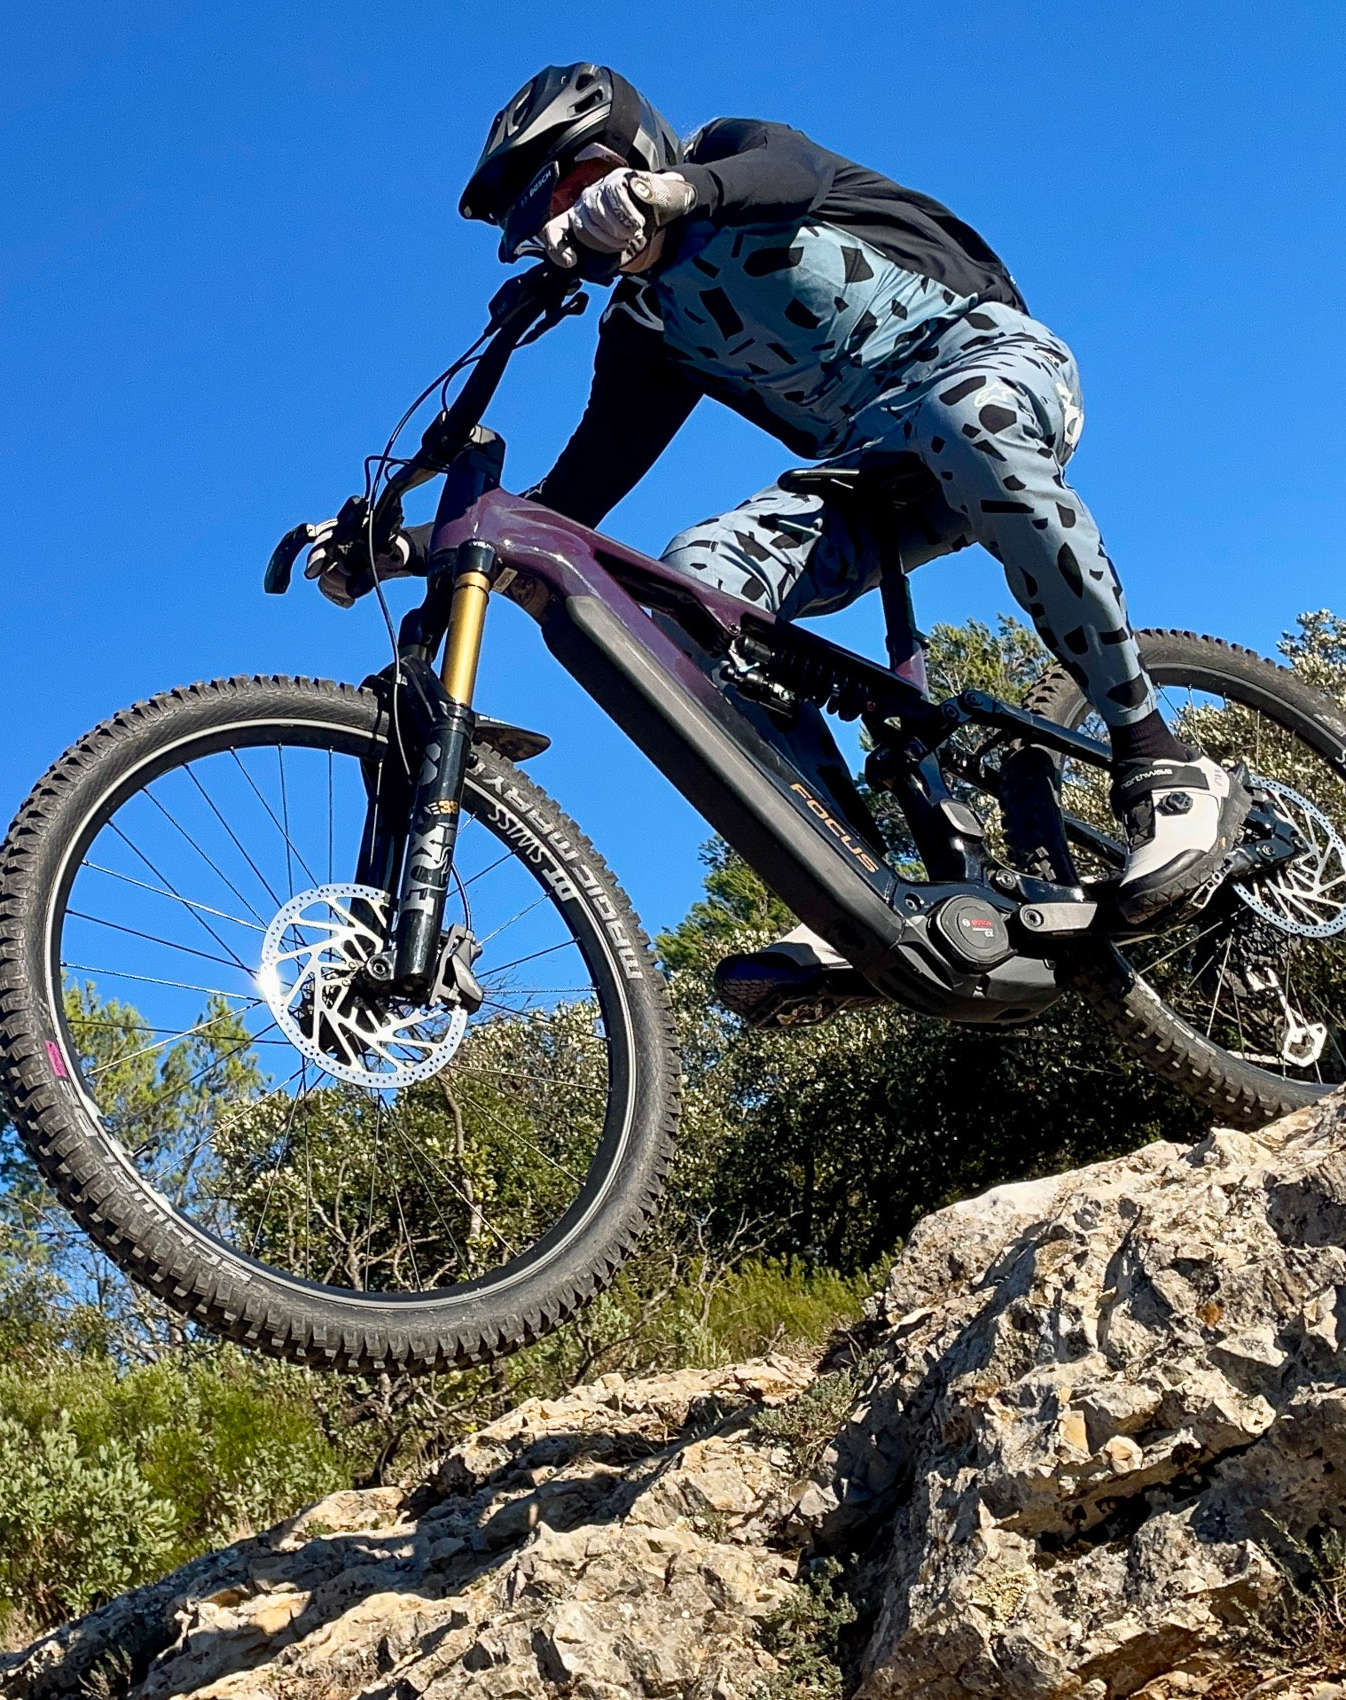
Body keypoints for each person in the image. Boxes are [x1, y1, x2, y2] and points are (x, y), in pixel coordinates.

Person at [444, 64, 1249, 1013]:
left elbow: (788, 175)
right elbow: (586, 485)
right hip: (871, 476)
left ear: (636, 146)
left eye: (582, 182)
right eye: (547, 214)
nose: (578, 215)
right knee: (687, 586)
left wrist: (671, 193)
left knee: (960, 419)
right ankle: (858, 892)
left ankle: (1159, 756)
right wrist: (418, 541)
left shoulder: (730, 153)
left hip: (991, 368)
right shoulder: (646, 325)